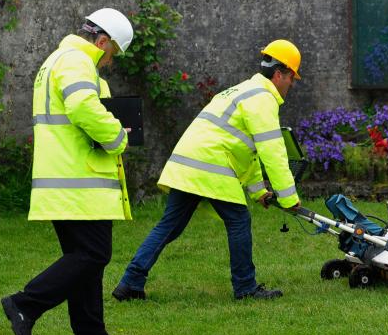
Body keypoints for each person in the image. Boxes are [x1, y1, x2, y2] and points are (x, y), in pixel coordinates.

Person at [112, 39, 302, 302]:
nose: (291, 85)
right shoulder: (262, 98)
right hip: (211, 165)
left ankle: (130, 283)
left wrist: (259, 191)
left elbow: (247, 150)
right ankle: (246, 287)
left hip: (188, 163)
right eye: (292, 78)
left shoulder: (240, 90)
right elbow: (272, 151)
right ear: (280, 73)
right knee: (238, 221)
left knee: (169, 226)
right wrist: (290, 198)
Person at [1, 8, 135, 335]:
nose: (110, 62)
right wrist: (118, 137)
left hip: (65, 180)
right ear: (102, 41)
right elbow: (82, 108)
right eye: (113, 54)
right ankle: (24, 304)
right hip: (80, 179)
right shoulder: (76, 61)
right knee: (93, 254)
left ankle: (89, 332)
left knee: (82, 256)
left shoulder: (57, 60)